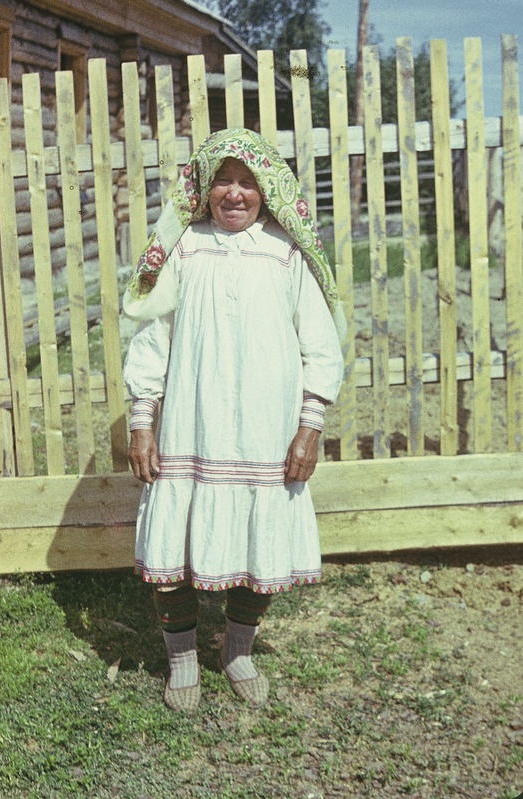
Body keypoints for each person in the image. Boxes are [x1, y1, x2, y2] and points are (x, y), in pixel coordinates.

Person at [123, 127, 345, 713]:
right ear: (204, 187)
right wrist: (142, 421)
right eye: (223, 180)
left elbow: (321, 348)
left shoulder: (286, 253)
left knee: (258, 543)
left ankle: (237, 652)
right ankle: (182, 659)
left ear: (266, 190)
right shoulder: (184, 249)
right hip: (192, 427)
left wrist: (309, 427)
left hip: (267, 432)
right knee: (173, 549)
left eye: (247, 182)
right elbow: (152, 340)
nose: (235, 193)